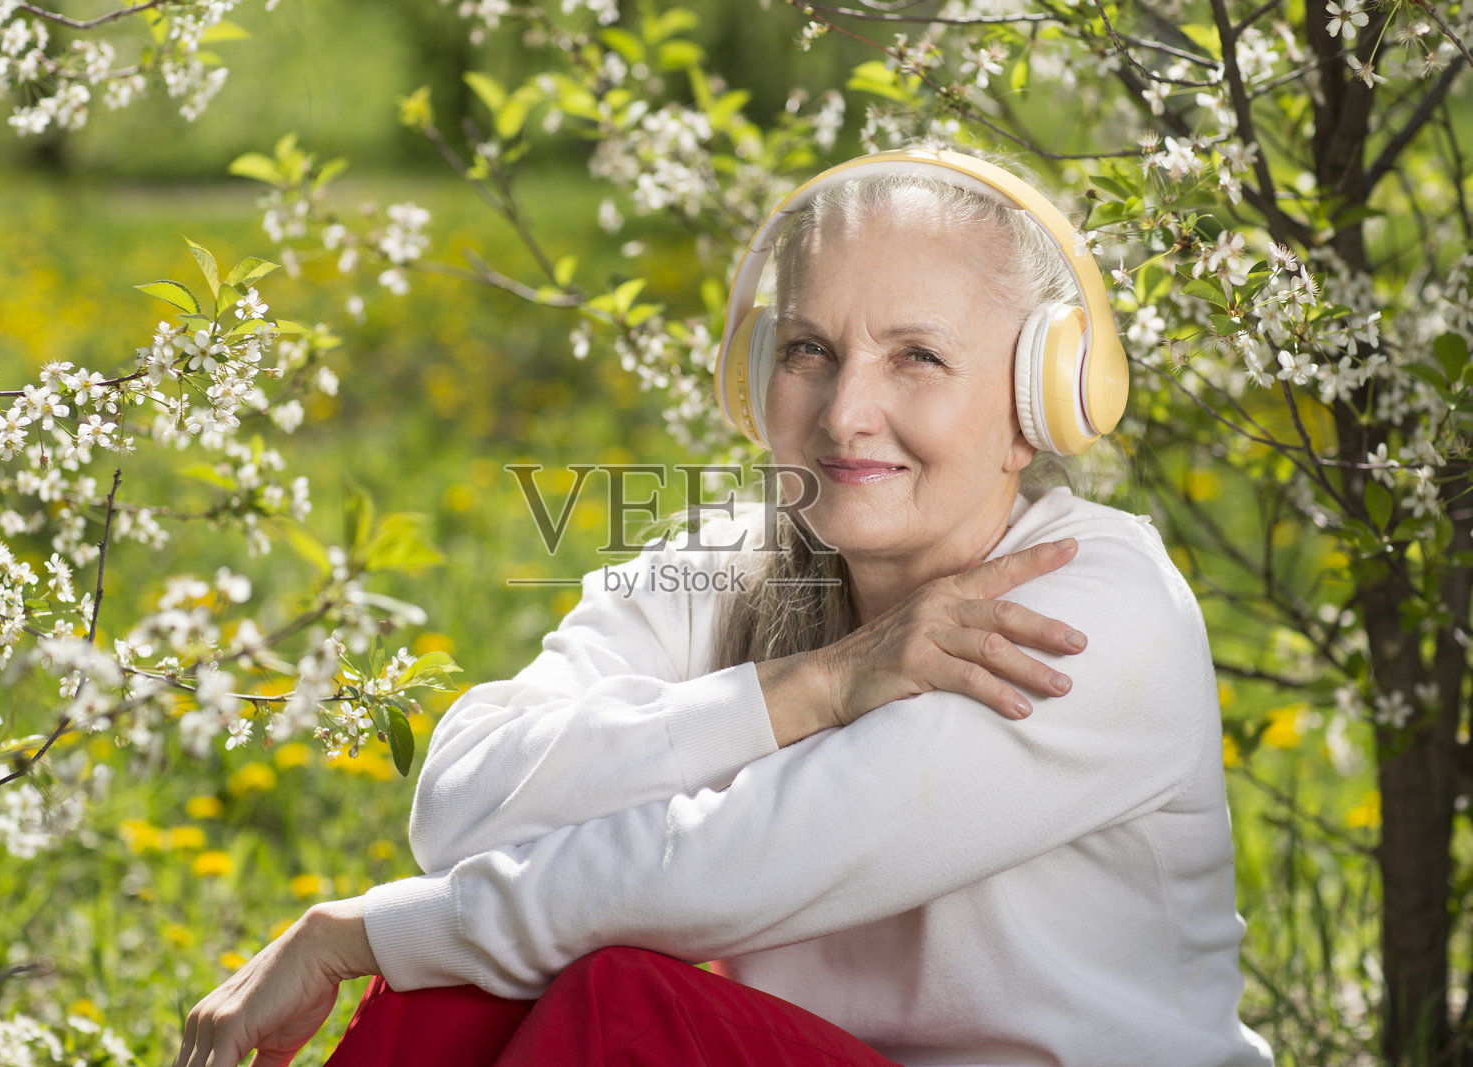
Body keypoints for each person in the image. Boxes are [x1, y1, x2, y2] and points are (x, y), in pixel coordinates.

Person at [169, 145, 1276, 1067]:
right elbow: (461, 803)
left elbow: (732, 864)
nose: (847, 412)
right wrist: (814, 683)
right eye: (808, 350)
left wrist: (360, 932)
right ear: (756, 376)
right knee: (458, 987)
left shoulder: (1086, 613)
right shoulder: (747, 559)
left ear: (1042, 397)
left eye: (918, 358)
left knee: (611, 998)